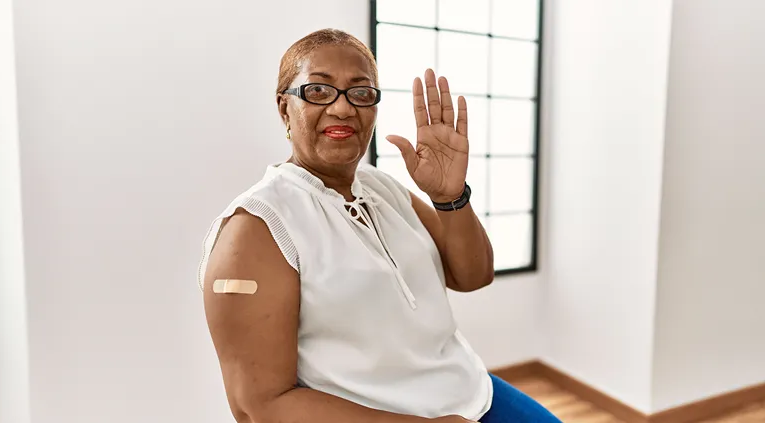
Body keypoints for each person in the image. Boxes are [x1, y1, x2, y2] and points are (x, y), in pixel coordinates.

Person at [197, 29, 561, 423]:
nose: (342, 108)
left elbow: (473, 275)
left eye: (361, 92)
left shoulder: (381, 186)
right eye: (319, 90)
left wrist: (450, 197)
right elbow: (259, 406)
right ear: (285, 108)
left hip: (470, 392)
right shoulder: (256, 228)